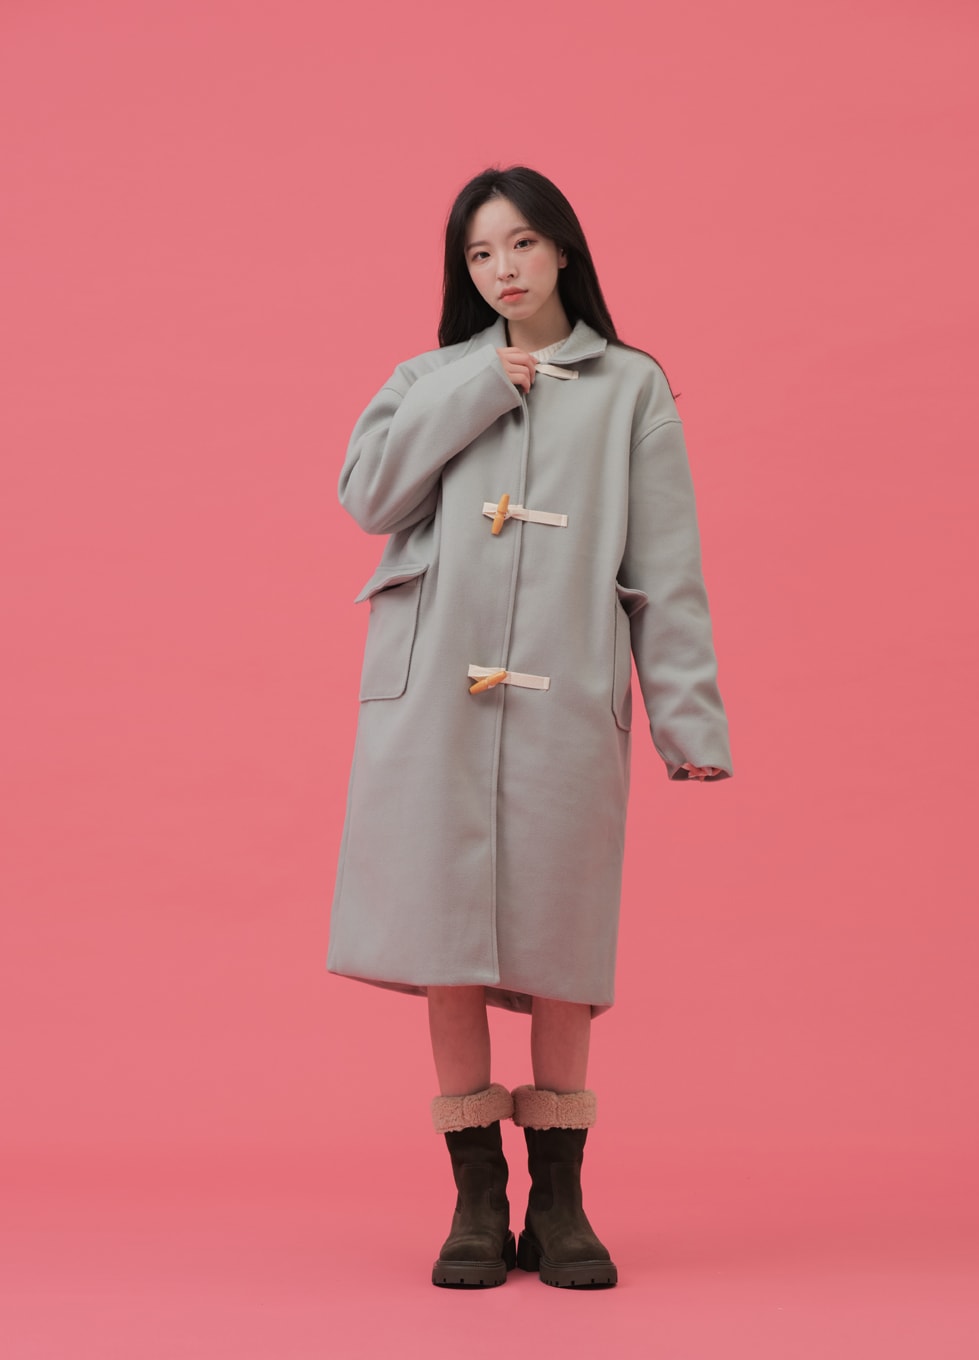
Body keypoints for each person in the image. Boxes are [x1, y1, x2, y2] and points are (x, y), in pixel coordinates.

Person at [327, 165, 732, 1289]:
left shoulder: (633, 387)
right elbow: (367, 497)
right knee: (445, 949)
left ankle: (559, 1201)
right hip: (433, 703)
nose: (501, 270)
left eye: (519, 245)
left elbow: (667, 568)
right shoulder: (429, 377)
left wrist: (688, 719)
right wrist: (473, 389)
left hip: (564, 695)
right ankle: (475, 1200)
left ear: (562, 250)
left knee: (563, 950)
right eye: (478, 254)